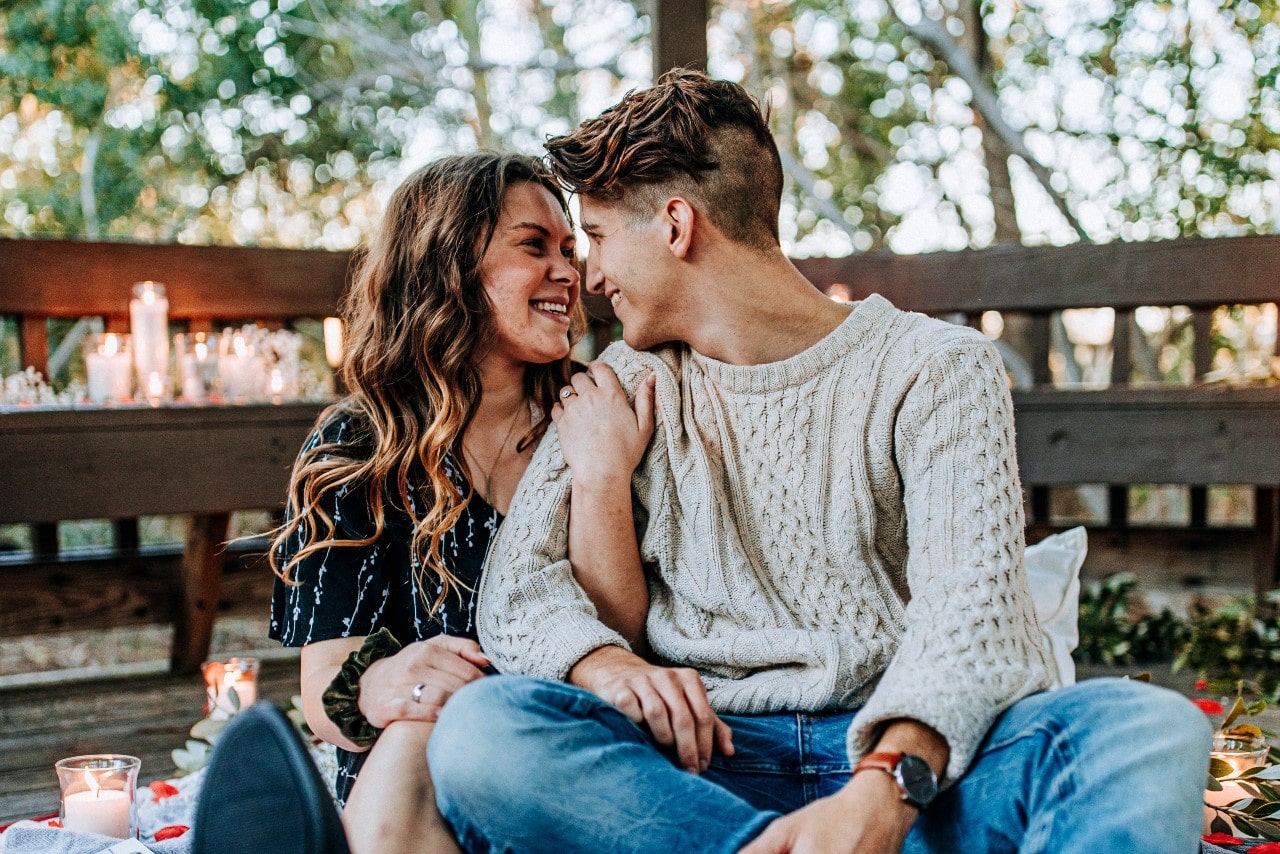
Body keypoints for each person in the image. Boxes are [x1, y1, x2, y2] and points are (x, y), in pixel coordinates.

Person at [426, 70, 1213, 853]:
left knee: (1143, 727)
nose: (592, 277)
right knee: (484, 733)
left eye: (597, 238)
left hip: (904, 768)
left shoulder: (935, 368)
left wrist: (880, 794)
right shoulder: (629, 386)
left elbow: (970, 618)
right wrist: (607, 668)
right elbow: (517, 596)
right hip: (701, 769)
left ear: (675, 225)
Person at [267, 152, 654, 854]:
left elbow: (616, 633)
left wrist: (601, 475)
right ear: (447, 265)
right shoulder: (362, 444)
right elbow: (325, 689)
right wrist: (389, 682)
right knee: (428, 722)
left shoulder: (596, 411)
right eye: (533, 246)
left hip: (565, 748)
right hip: (413, 776)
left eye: (570, 248)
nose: (570, 273)